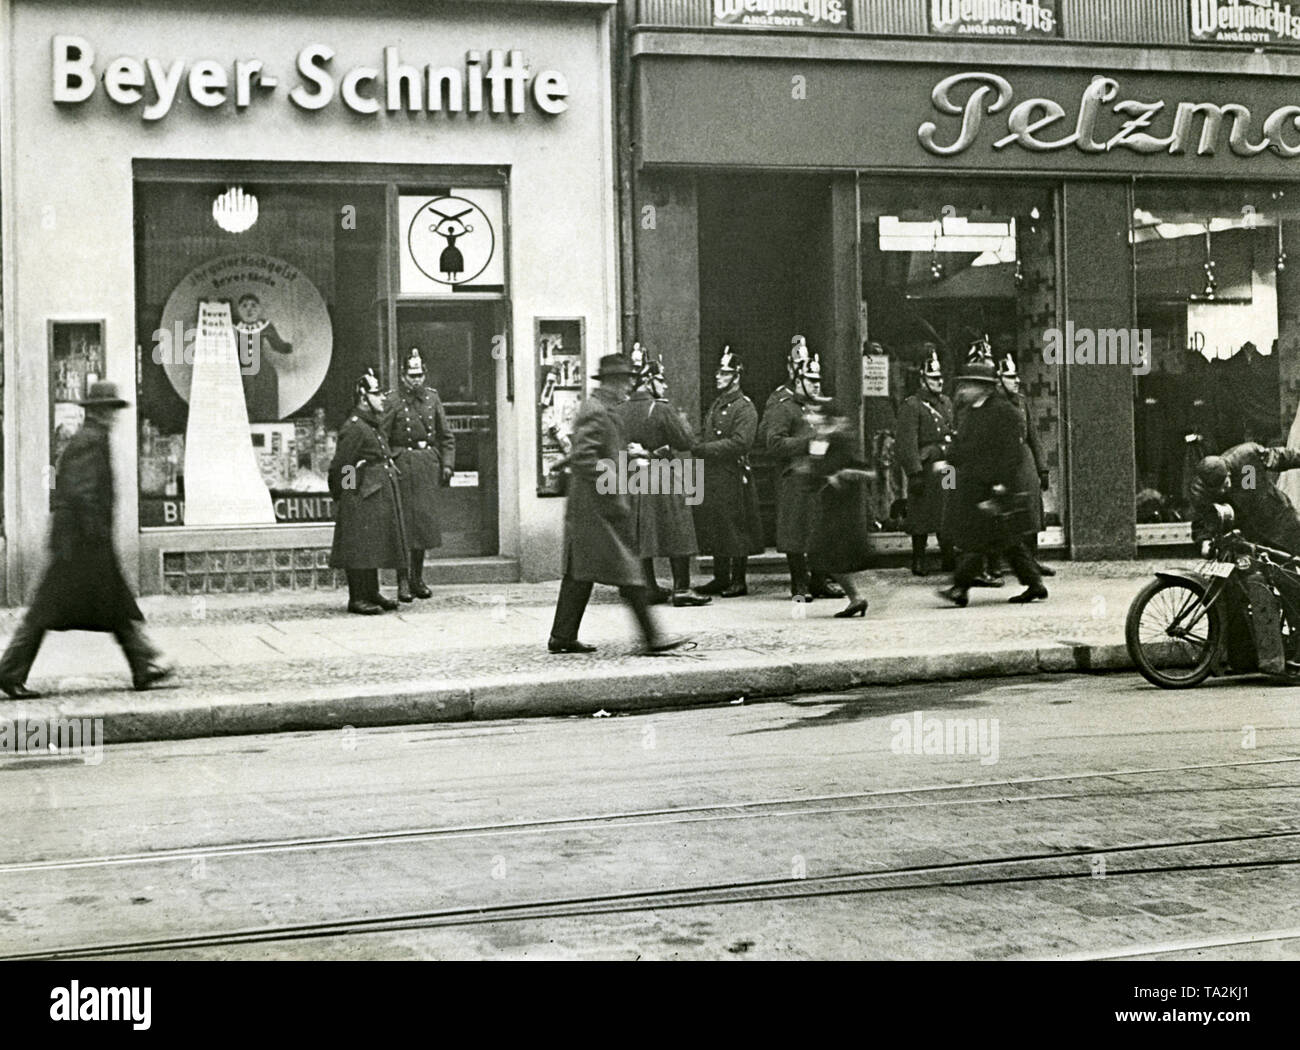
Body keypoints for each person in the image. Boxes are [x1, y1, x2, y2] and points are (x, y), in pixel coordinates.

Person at [0, 381, 171, 698]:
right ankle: (9, 672)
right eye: (110, 410)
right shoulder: (90, 441)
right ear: (99, 411)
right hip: (79, 545)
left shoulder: (92, 438)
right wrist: (95, 538)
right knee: (46, 610)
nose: (113, 416)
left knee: (113, 605)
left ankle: (143, 666)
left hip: (81, 541)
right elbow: (82, 494)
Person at [548, 353, 690, 655]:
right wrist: (614, 487)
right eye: (624, 380)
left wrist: (626, 457)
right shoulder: (597, 410)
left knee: (579, 572)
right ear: (612, 381)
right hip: (598, 507)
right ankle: (652, 638)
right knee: (628, 571)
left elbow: (592, 452)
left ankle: (562, 636)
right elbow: (587, 458)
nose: (628, 386)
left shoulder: (602, 408)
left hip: (592, 507)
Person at [937, 357, 1047, 607]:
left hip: (994, 486)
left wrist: (1001, 485)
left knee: (979, 538)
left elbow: (1011, 453)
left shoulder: (1003, 412)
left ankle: (960, 587)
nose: (964, 389)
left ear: (984, 386)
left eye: (969, 384)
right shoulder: (971, 411)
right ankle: (1035, 583)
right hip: (974, 485)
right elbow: (964, 446)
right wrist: (949, 464)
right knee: (1006, 541)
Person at [614, 344, 711, 608]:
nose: (664, 387)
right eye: (660, 380)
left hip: (632, 477)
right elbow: (686, 441)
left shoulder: (619, 410)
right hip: (662, 474)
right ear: (648, 381)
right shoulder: (661, 409)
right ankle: (682, 589)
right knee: (678, 528)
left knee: (640, 532)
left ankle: (648, 587)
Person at [758, 336, 844, 601]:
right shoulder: (783, 407)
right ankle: (800, 585)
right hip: (794, 477)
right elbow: (773, 442)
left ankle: (819, 580)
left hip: (819, 478)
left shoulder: (820, 405)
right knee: (795, 533)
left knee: (819, 531)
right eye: (811, 381)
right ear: (798, 380)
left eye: (818, 381)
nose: (817, 386)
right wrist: (808, 443)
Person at [329, 370, 407, 615]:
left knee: (371, 545)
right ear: (363, 397)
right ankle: (357, 598)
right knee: (359, 546)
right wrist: (351, 496)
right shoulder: (355, 427)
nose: (383, 397)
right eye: (377, 393)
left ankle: (371, 592)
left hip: (374, 494)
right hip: (362, 497)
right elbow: (344, 466)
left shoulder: (370, 424)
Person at [692, 347, 764, 597]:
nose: (718, 377)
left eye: (724, 373)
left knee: (735, 526)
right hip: (713, 474)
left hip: (732, 474)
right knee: (716, 523)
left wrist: (703, 449)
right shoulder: (717, 404)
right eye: (718, 372)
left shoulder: (744, 407)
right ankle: (720, 577)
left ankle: (738, 579)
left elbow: (740, 443)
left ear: (736, 377)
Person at [387, 348, 456, 602]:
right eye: (411, 375)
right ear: (403, 376)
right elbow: (382, 436)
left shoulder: (432, 398)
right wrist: (391, 462)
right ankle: (402, 580)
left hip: (426, 466)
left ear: (424, 374)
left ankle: (418, 578)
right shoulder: (392, 400)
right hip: (403, 466)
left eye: (419, 375)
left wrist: (446, 464)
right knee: (404, 527)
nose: (415, 380)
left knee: (423, 526)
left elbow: (446, 436)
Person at [805, 379, 873, 617]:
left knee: (827, 553)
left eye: (818, 416)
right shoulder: (819, 442)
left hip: (842, 508)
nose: (812, 419)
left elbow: (867, 471)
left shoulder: (842, 441)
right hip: (828, 506)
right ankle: (856, 597)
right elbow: (816, 472)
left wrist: (843, 475)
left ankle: (856, 597)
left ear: (829, 420)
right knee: (823, 554)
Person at [895, 346, 954, 576]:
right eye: (933, 377)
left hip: (947, 467)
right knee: (921, 514)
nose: (938, 382)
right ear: (923, 379)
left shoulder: (946, 403)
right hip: (926, 468)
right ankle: (918, 558)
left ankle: (948, 555)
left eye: (940, 377)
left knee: (948, 510)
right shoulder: (912, 405)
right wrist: (914, 471)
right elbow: (906, 442)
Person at [996, 353, 1054, 577]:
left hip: (1025, 460)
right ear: (999, 379)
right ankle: (1000, 563)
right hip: (1003, 462)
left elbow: (1033, 436)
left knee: (1032, 512)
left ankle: (1032, 561)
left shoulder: (1021, 401)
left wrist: (1042, 468)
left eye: (1016, 376)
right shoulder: (995, 403)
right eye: (1010, 377)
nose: (1016, 381)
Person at [1189, 443, 1300, 554]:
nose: (1223, 491)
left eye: (1225, 485)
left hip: (1279, 518)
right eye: (1217, 490)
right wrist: (1204, 542)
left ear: (1228, 472)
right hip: (1247, 536)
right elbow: (1200, 520)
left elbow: (1280, 457)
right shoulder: (1199, 491)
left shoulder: (1246, 457)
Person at [234, 293, 292, 423]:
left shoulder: (265, 326)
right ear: (239, 309)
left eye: (253, 306)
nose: (249, 310)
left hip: (262, 371)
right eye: (244, 306)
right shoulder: (233, 326)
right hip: (241, 371)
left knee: (265, 401)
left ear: (259, 309)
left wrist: (291, 347)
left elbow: (278, 345)